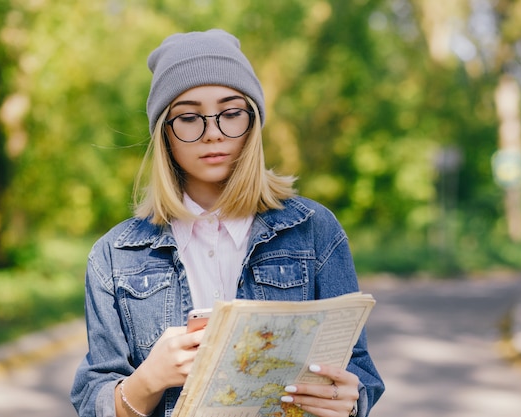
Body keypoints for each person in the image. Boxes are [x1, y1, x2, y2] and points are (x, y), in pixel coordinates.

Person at [70, 29, 384, 417]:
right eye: (188, 117)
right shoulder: (113, 257)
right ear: (164, 132)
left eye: (231, 113)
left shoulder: (315, 230)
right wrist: (149, 379)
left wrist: (348, 402)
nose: (213, 133)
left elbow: (360, 374)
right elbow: (92, 400)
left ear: (253, 121)